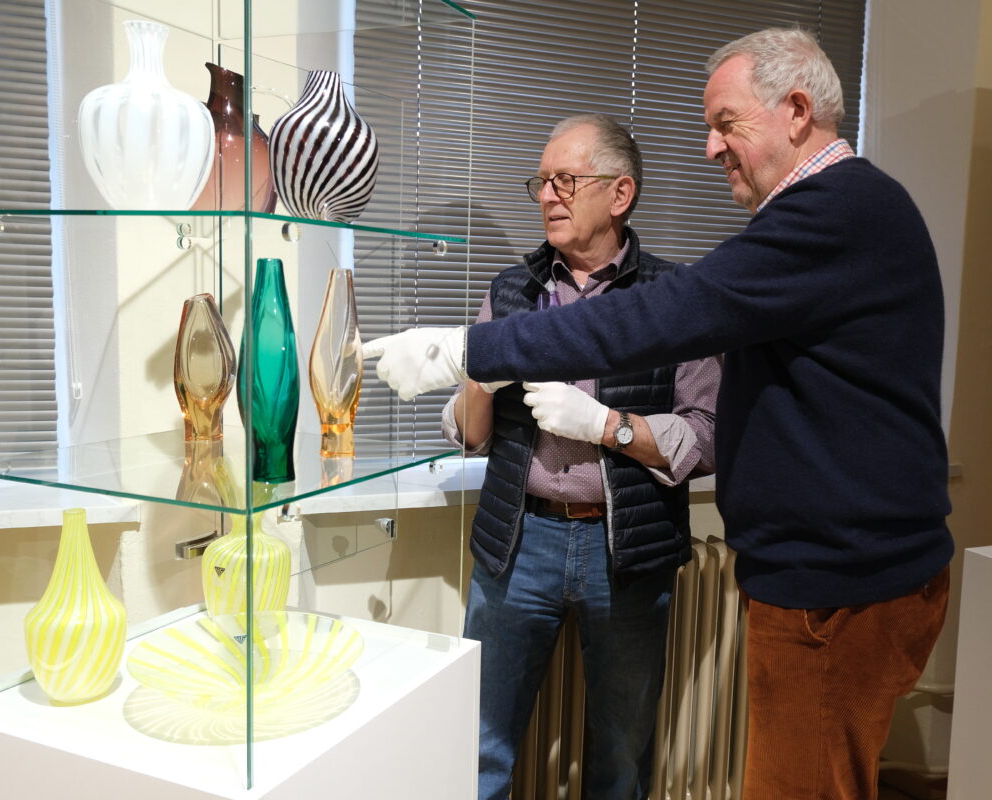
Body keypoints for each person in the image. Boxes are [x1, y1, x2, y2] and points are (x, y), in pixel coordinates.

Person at [365, 28, 953, 800]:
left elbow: (664, 324)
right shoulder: (840, 213)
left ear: (797, 111)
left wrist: (471, 352)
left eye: (725, 123)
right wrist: (477, 367)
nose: (710, 148)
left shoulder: (832, 213)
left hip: (833, 585)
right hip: (805, 574)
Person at [444, 113, 719, 800]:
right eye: (541, 181)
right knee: (478, 745)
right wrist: (479, 374)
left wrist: (607, 427)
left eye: (564, 180)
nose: (546, 195)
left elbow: (706, 433)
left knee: (621, 757)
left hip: (624, 553)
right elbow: (471, 435)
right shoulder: (511, 292)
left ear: (620, 193)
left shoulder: (674, 300)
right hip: (517, 543)